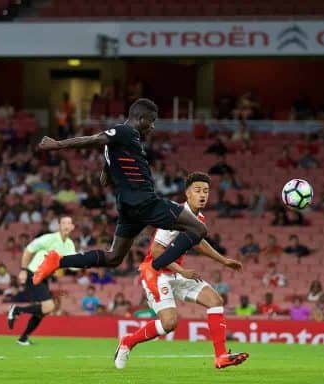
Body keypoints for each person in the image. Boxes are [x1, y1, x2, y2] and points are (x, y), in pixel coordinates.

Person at [31, 99, 208, 292]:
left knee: (114, 257)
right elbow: (95, 139)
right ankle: (153, 268)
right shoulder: (124, 132)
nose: (153, 126)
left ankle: (58, 261)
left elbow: (105, 177)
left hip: (128, 206)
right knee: (198, 229)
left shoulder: (119, 143)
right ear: (140, 119)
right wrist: (58, 145)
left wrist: (111, 171)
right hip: (144, 201)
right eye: (151, 121)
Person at [114, 172, 248, 370]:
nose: (203, 195)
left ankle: (220, 357)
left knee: (215, 300)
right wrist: (182, 271)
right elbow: (157, 252)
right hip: (156, 272)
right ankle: (128, 341)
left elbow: (199, 243)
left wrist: (224, 260)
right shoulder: (173, 216)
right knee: (169, 324)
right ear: (187, 194)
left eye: (206, 191)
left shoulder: (198, 218)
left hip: (176, 272)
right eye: (198, 190)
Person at [7, 216, 76, 345]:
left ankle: (23, 338)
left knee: (42, 312)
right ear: (59, 226)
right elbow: (29, 250)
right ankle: (16, 310)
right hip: (34, 273)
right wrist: (23, 269)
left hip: (44, 278)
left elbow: (72, 264)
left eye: (69, 223)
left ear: (73, 227)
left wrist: (86, 262)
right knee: (49, 306)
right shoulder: (49, 239)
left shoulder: (69, 244)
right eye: (63, 222)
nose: (66, 225)